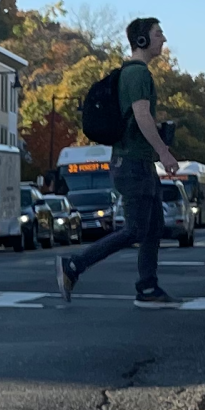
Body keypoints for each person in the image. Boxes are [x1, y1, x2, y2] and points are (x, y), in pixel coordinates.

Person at [59, 17, 181, 308]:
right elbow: (141, 116)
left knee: (153, 227)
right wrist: (164, 151)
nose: (163, 39)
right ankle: (74, 265)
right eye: (158, 34)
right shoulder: (137, 74)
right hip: (132, 163)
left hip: (139, 162)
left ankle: (148, 288)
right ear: (142, 41)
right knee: (136, 229)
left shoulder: (135, 74)